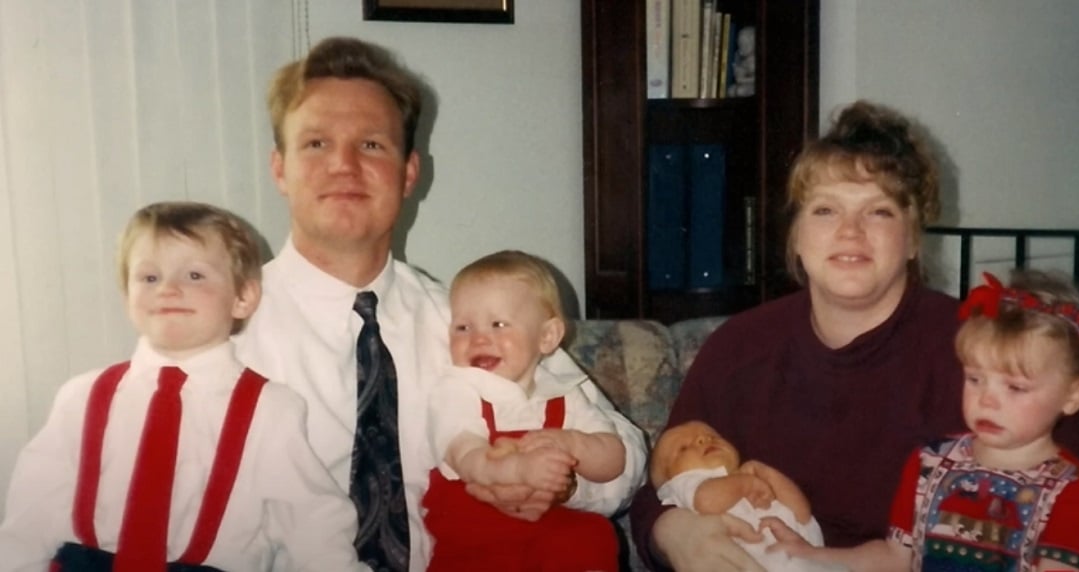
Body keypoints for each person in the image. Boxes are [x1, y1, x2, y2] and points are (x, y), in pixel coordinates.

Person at [628, 100, 1079, 572]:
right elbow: (658, 485)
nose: (850, 232)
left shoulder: (977, 351)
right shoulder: (739, 347)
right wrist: (671, 534)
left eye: (879, 211)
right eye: (825, 210)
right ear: (795, 236)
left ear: (912, 236)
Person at [233, 36, 647, 570]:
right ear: (280, 169)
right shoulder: (223, 334)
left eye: (371, 145)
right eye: (315, 143)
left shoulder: (464, 323)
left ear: (409, 174)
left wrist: (557, 484)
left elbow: (629, 454)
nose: (343, 164)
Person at [0, 201, 367, 571]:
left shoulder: (271, 410)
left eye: (194, 276)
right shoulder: (81, 398)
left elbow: (313, 528)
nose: (168, 290)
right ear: (127, 295)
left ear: (243, 297)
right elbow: (30, 520)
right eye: (149, 277)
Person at [765, 270, 1079, 571]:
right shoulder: (931, 461)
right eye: (975, 379)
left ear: (1075, 395)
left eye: (1015, 387)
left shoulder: (1075, 494)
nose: (987, 399)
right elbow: (895, 556)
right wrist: (813, 556)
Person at [422, 250, 627, 571]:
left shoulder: (565, 393)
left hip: (547, 535)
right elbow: (466, 455)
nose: (478, 338)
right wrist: (516, 470)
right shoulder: (458, 389)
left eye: (498, 324)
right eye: (462, 327)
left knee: (594, 534)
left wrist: (573, 445)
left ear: (547, 336)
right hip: (477, 541)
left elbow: (613, 459)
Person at [650, 421, 844, 572]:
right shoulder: (686, 483)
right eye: (683, 448)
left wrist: (768, 475)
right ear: (669, 481)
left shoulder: (746, 477)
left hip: (806, 557)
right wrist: (746, 483)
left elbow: (802, 513)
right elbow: (705, 502)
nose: (702, 439)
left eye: (712, 436)